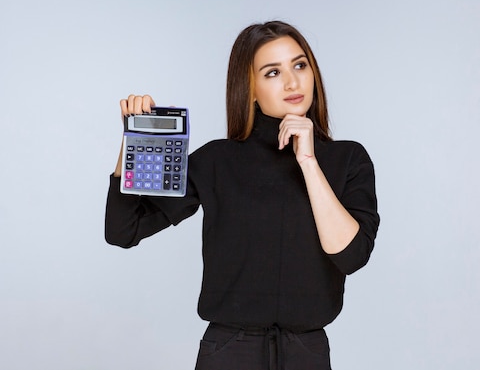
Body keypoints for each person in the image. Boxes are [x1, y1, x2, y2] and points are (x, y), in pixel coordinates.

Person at [105, 21, 380, 370]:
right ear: (249, 88)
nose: (292, 82)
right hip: (229, 353)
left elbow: (351, 256)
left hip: (306, 353)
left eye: (299, 65)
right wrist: (134, 140)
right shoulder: (217, 160)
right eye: (272, 72)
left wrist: (309, 162)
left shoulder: (348, 159)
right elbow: (123, 230)